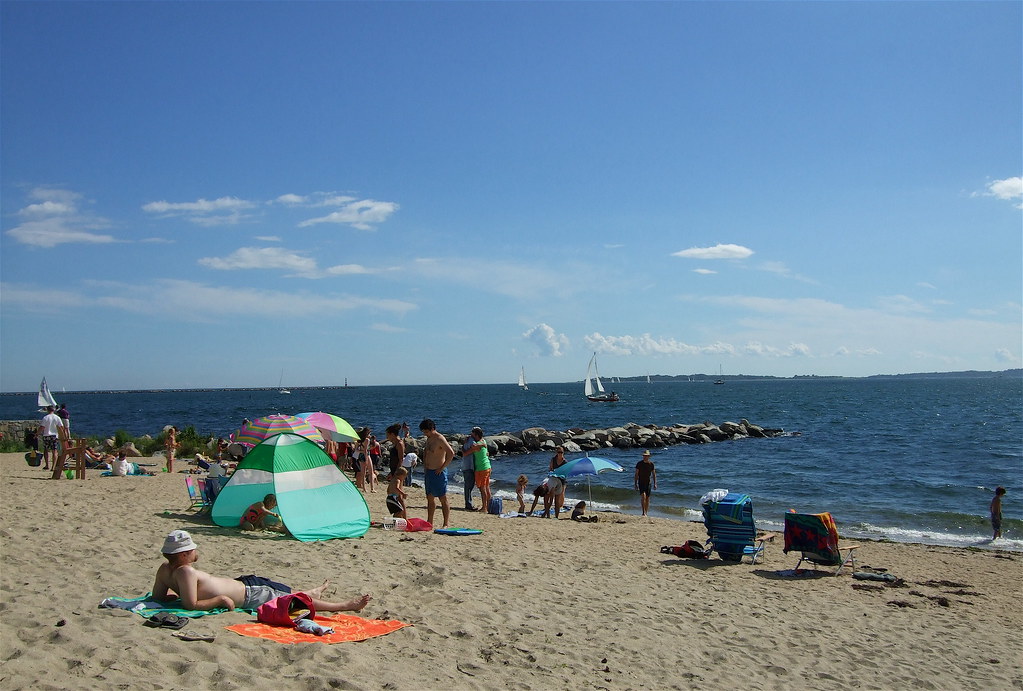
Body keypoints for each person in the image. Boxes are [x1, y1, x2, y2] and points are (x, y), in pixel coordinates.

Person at [152, 529, 371, 613]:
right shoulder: (186, 572)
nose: (195, 551)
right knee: (292, 600)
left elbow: (158, 597)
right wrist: (219, 599)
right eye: (191, 549)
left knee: (288, 593)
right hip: (250, 594)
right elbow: (191, 605)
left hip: (248, 585)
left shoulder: (165, 569)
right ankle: (342, 606)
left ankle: (315, 592)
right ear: (182, 555)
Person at [419, 418, 454, 528]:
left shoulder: (440, 439)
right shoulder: (429, 439)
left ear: (432, 429)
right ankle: (430, 522)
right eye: (424, 432)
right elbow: (426, 452)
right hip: (429, 472)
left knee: (442, 498)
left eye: (426, 431)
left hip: (438, 472)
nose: (425, 434)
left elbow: (451, 453)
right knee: (429, 497)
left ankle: (446, 523)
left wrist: (442, 467)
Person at [463, 427, 491, 512]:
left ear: (476, 435)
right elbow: (484, 446)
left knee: (482, 489)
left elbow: (465, 453)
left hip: (481, 468)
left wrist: (463, 446)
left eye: (472, 434)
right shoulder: (483, 441)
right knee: (487, 487)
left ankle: (484, 508)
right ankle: (488, 506)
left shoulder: (476, 445)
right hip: (487, 466)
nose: (471, 436)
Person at [37, 406, 63, 471]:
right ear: (54, 410)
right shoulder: (57, 417)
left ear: (47, 410)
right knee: (54, 451)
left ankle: (47, 465)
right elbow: (61, 427)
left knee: (46, 450)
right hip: (54, 436)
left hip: (46, 435)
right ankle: (53, 466)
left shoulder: (45, 417)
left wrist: (37, 434)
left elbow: (42, 427)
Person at [634, 450, 657, 516]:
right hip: (641, 482)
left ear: (649, 456)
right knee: (643, 496)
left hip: (648, 483)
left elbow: (654, 474)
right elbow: (636, 474)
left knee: (647, 498)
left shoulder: (651, 464)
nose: (645, 457)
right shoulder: (639, 464)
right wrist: (635, 484)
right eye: (644, 456)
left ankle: (646, 512)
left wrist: (655, 483)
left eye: (646, 456)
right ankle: (643, 512)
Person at [549, 446, 569, 515]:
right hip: (554, 478)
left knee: (562, 493)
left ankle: (561, 506)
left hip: (562, 479)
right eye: (559, 452)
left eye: (561, 452)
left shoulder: (565, 462)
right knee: (554, 493)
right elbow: (550, 468)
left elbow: (567, 472)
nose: (560, 454)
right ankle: (556, 506)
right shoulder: (553, 459)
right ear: (557, 453)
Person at [460, 433, 477, 510]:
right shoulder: (472, 442)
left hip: (466, 466)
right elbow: (467, 452)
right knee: (469, 486)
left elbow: (463, 450)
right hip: (469, 466)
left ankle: (468, 503)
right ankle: (468, 504)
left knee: (468, 485)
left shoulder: (467, 440)